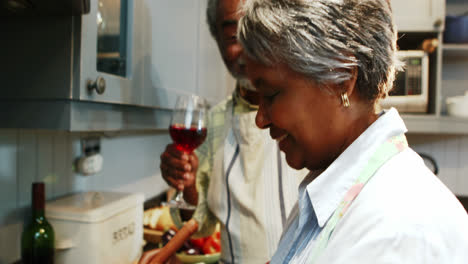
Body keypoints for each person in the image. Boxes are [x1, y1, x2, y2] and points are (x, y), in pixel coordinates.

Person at [237, 0, 468, 263]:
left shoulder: (399, 226)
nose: (260, 119)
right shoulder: (332, 189)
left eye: (270, 94)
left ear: (341, 80)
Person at [154, 0, 307, 263]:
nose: (247, 49)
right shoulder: (211, 124)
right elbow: (200, 226)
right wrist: (187, 185)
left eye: (256, 31)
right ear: (218, 42)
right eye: (234, 36)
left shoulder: (311, 109)